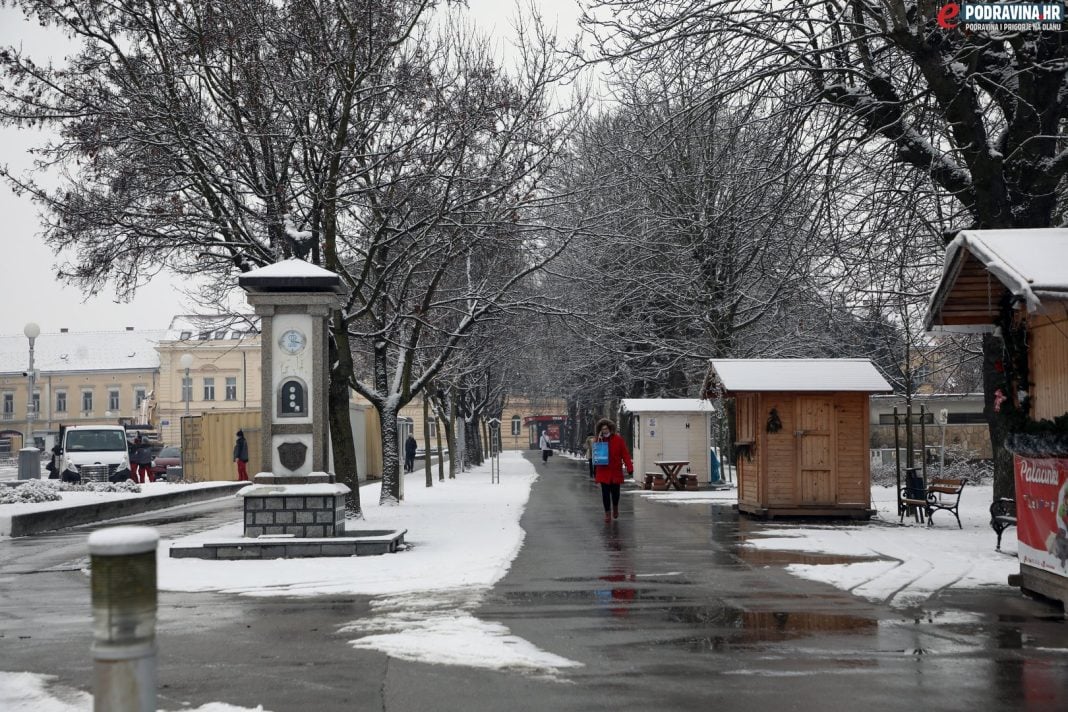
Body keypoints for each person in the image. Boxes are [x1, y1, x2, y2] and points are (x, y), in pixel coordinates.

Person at [592, 418, 633, 523]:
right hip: (603, 471)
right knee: (605, 494)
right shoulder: (598, 440)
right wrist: (594, 469)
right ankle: (607, 514)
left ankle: (615, 507)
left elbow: (625, 454)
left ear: (610, 428)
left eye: (606, 428)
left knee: (615, 494)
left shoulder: (618, 440)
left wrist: (629, 467)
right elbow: (595, 456)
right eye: (602, 429)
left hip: (615, 471)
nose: (604, 431)